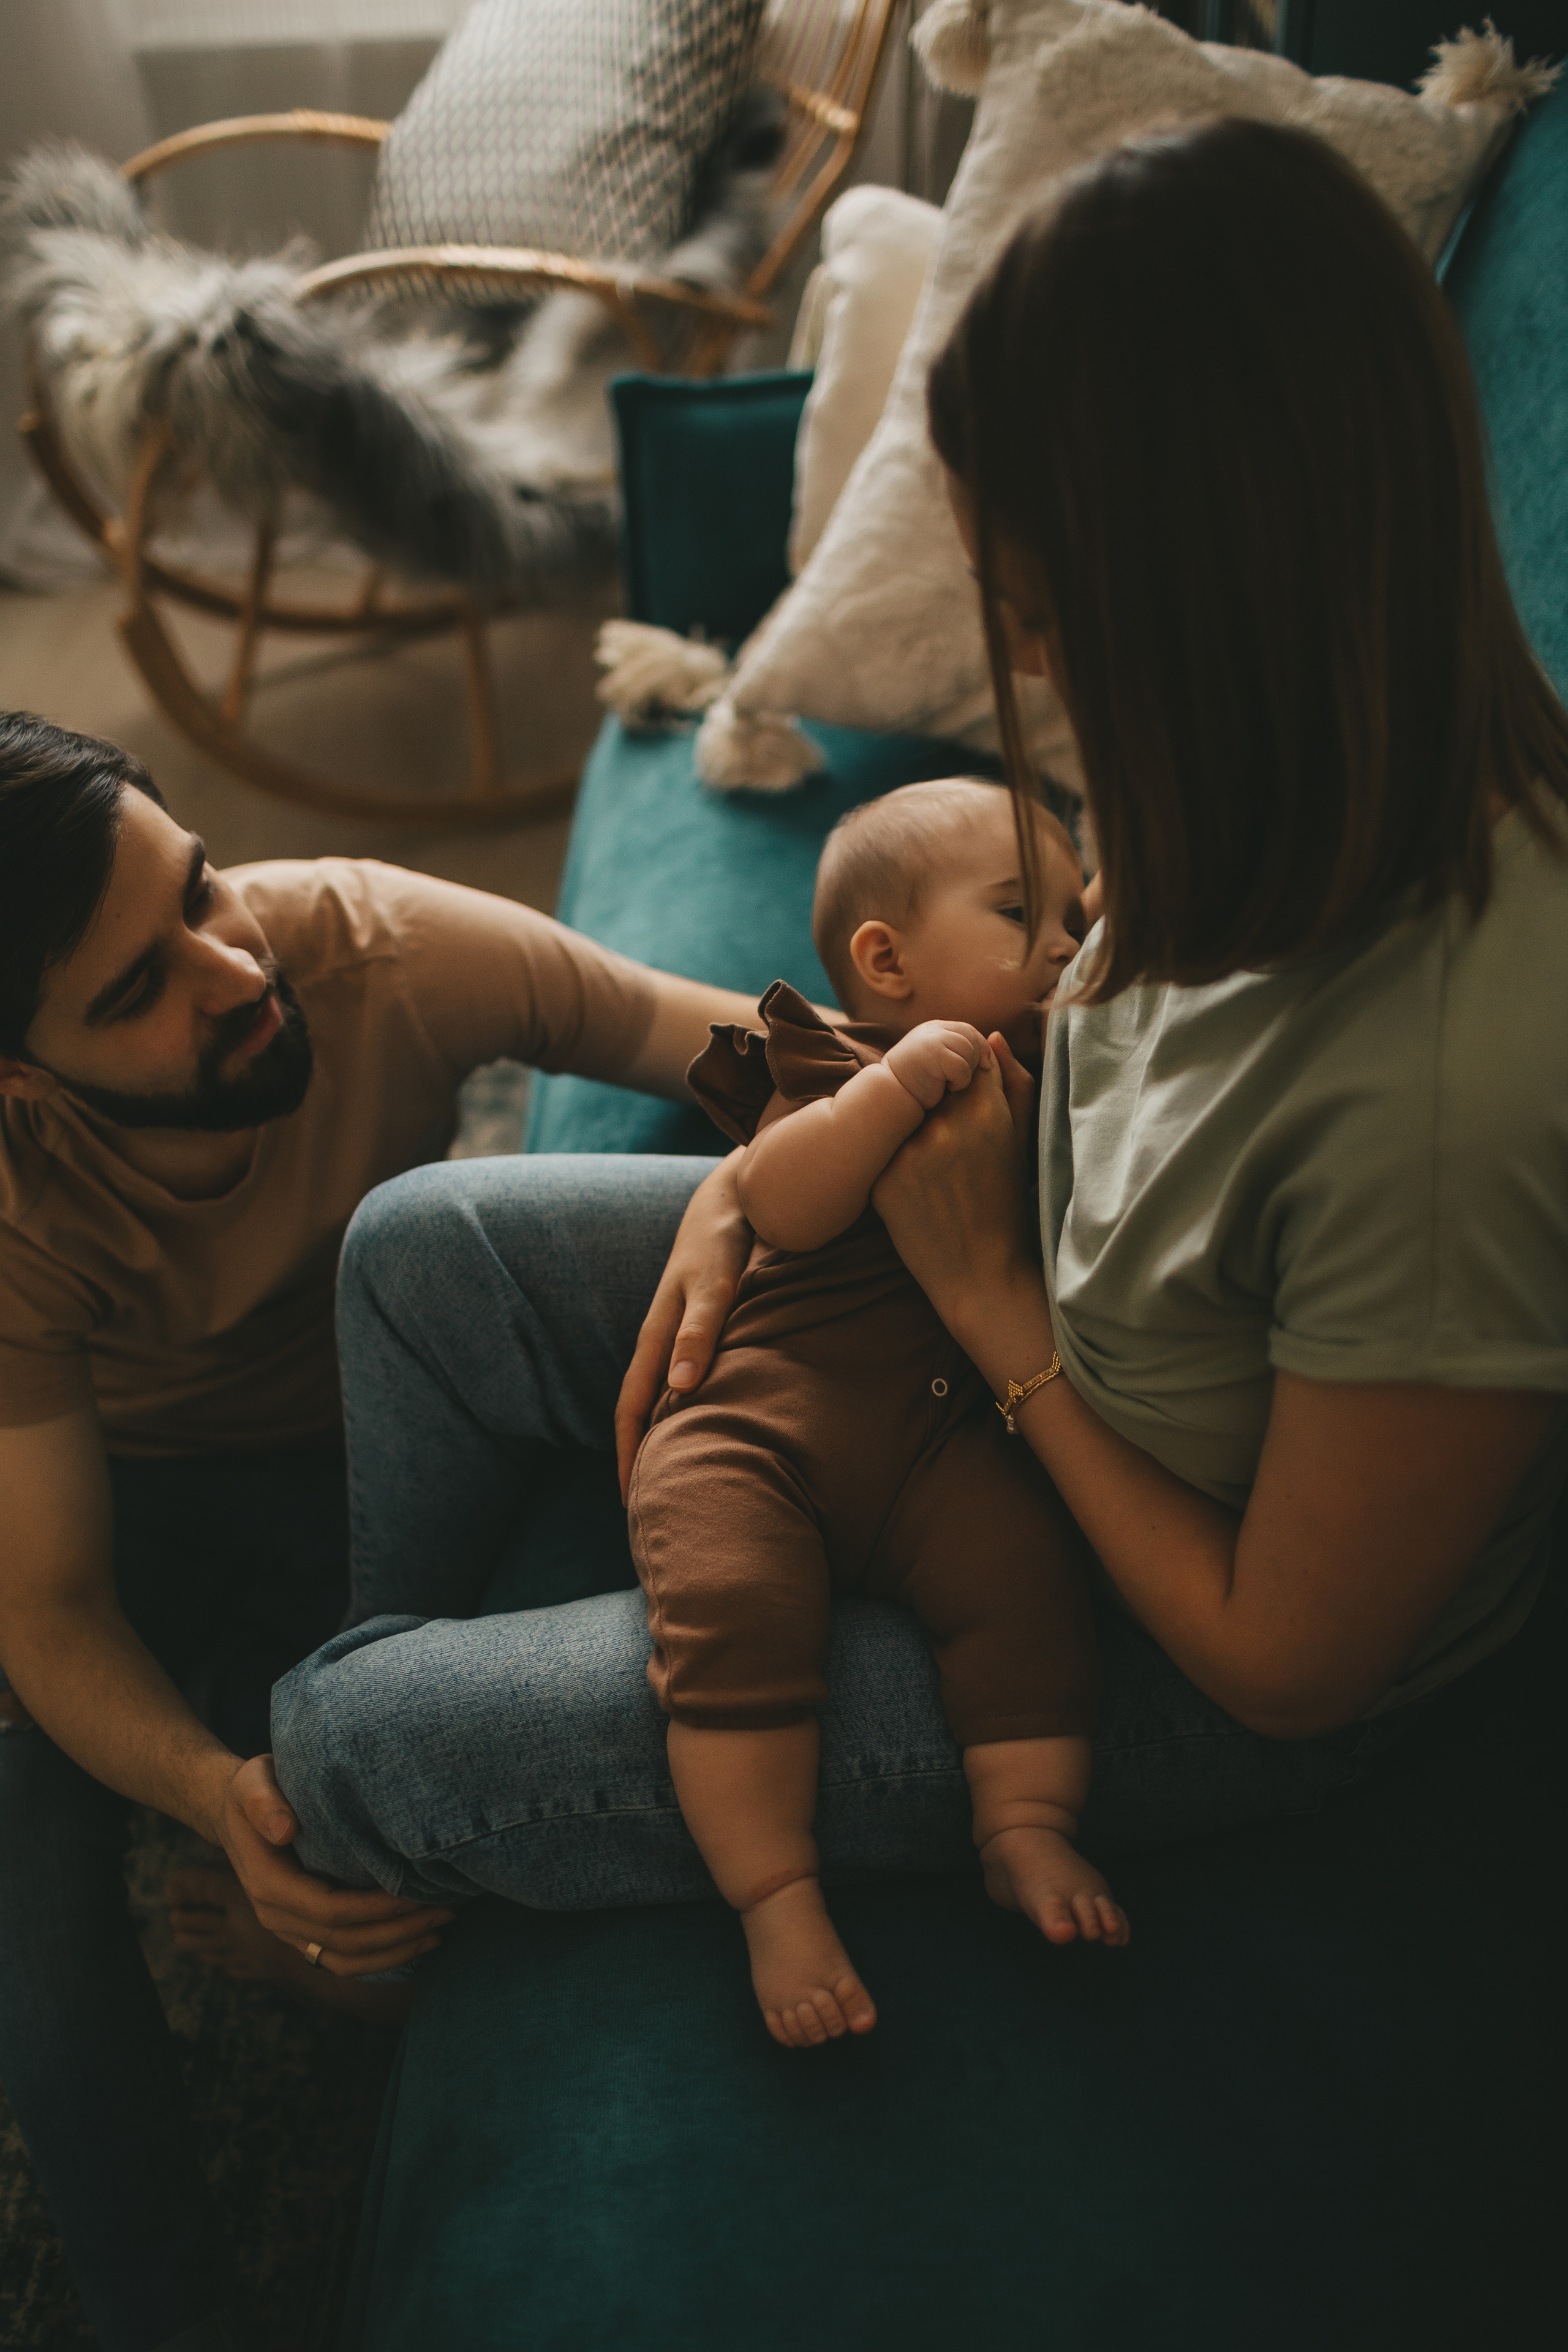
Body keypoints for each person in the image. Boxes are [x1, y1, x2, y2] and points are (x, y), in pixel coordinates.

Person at [268, 115, 1567, 2075]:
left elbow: (1290, 1664)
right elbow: (1071, 1075)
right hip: (965, 1298)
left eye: (1044, 602)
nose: (1023, 652)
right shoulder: (1253, 758)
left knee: (347, 1747)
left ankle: (371, 1822)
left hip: (1137, 1613)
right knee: (423, 1250)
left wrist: (987, 1309)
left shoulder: (1462, 1081)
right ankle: (430, 1722)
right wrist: (738, 1200)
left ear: (1208, 582)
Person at [0, 710, 772, 2352]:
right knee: (32, 1946)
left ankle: (332, 1929)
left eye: (201, 890)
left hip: (372, 1446)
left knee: (438, 1817)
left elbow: (707, 1042)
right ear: (23, 1079)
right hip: (109, 1490)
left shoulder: (382, 950)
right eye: (138, 988)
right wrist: (219, 1801)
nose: (230, 968)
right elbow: (50, 1603)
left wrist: (927, 1080)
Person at [631, 780, 1126, 2051]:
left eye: (1078, 916)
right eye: (1025, 913)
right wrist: (887, 1091)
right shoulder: (837, 1062)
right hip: (761, 1427)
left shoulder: (1056, 1074)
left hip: (946, 1446)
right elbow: (777, 1207)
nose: (1068, 943)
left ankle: (1021, 1825)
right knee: (731, 1607)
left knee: (1028, 1580)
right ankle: (775, 1897)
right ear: (884, 961)